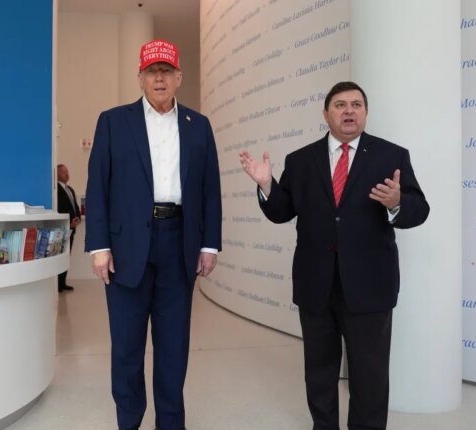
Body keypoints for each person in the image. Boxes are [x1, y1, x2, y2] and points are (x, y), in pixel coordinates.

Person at [239, 81, 429, 430]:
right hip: (317, 284)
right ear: (326, 113)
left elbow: (420, 210)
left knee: (370, 374)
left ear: (366, 113)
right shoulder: (301, 160)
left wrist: (397, 202)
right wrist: (267, 185)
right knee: (319, 371)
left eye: (357, 104)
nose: (349, 111)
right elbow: (282, 211)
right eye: (340, 105)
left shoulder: (391, 157)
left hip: (370, 286)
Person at [85, 39, 222, 430]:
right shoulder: (113, 121)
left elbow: (209, 189)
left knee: (173, 346)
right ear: (140, 78)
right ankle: (128, 422)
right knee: (127, 347)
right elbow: (98, 187)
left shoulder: (199, 126)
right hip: (126, 247)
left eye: (166, 71)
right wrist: (99, 246)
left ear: (179, 77)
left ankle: (171, 424)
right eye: (151, 72)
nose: (159, 78)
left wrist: (209, 244)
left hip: (179, 242)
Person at [57, 163, 81, 292]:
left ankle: (62, 283)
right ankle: (57, 284)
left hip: (72, 228)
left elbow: (74, 206)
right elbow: (59, 209)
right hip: (62, 228)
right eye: (63, 173)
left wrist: (78, 218)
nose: (67, 175)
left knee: (67, 256)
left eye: (67, 172)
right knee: (59, 256)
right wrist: (68, 223)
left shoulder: (70, 189)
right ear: (56, 174)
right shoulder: (55, 190)